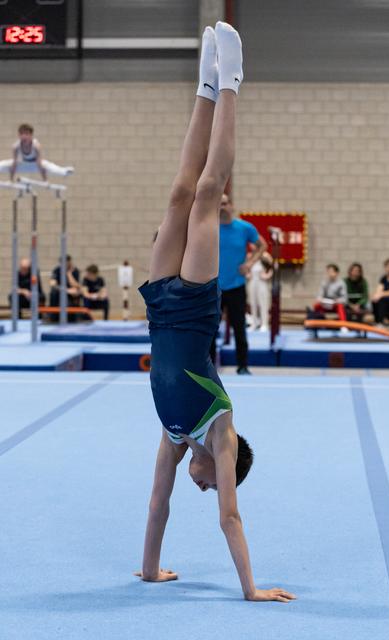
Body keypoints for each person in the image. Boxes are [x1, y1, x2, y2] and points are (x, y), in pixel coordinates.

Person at [135, 23, 296, 604]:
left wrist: (150, 571)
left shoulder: (175, 438)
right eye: (210, 485)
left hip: (159, 304)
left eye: (200, 484)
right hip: (198, 304)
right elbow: (231, 518)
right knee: (208, 191)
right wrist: (251, 590)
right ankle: (230, 81)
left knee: (179, 193)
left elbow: (159, 501)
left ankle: (203, 86)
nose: (200, 487)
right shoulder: (221, 433)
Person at [211, 194, 267, 373]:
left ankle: (242, 365)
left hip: (236, 286)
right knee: (210, 330)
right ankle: (210, 368)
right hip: (214, 287)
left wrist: (250, 264)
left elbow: (262, 246)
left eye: (225, 204)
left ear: (231, 206)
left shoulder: (244, 228)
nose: (222, 207)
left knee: (239, 328)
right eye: (218, 204)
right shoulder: (209, 228)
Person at [0, 123, 74, 180]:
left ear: (31, 135)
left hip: (36, 165)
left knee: (49, 166)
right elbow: (14, 164)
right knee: (5, 164)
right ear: (19, 135)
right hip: (23, 164)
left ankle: (65, 171)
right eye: (21, 134)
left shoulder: (36, 146)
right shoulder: (15, 146)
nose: (24, 136)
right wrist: (11, 180)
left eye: (26, 134)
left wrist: (45, 180)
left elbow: (39, 163)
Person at [247, 250, 273, 331]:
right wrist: (247, 274)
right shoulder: (250, 255)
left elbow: (272, 268)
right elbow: (245, 267)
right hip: (252, 281)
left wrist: (267, 276)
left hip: (262, 282)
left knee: (263, 303)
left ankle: (264, 324)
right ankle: (254, 323)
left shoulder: (265, 255)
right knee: (253, 303)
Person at [49, 255, 81, 320]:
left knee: (76, 293)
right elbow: (52, 283)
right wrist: (65, 290)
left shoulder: (75, 271)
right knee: (53, 292)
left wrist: (69, 274)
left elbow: (76, 285)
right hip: (60, 291)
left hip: (71, 293)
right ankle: (53, 316)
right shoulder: (57, 270)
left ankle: (72, 316)